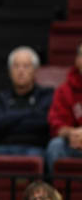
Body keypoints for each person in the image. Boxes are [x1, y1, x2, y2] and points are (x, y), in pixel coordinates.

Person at [0, 46, 53, 157]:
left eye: (26, 66)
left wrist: (9, 117)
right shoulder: (1, 97)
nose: (20, 71)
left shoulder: (46, 95)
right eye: (16, 66)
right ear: (9, 71)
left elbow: (43, 123)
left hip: (34, 148)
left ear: (35, 71)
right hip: (2, 147)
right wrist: (31, 112)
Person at [45, 43, 82, 174]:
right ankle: (56, 193)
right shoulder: (64, 90)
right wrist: (71, 133)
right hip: (73, 145)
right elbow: (56, 125)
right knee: (55, 146)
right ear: (77, 60)